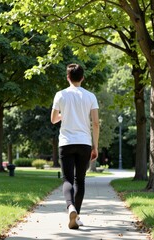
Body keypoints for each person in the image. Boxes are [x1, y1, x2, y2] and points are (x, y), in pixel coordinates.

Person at [51, 63, 99, 229]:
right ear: (82, 78)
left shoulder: (60, 95)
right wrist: (96, 146)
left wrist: (66, 114)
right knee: (80, 180)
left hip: (66, 143)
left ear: (68, 77)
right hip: (84, 142)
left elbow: (53, 119)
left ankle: (70, 208)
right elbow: (96, 123)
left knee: (68, 179)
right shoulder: (90, 96)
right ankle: (76, 215)